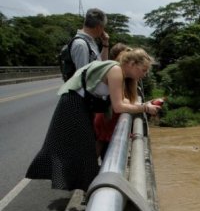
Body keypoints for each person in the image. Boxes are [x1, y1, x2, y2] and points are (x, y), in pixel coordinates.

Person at [26, 48, 161, 191]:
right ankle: (87, 189)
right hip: (74, 105)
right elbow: (119, 107)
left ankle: (82, 186)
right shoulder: (116, 71)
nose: (144, 74)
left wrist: (145, 104)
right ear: (132, 63)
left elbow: (122, 101)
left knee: (79, 148)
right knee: (79, 148)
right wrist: (145, 108)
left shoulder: (116, 69)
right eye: (144, 70)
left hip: (76, 104)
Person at [93, 43, 129, 160]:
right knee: (101, 142)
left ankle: (89, 171)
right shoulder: (116, 70)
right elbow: (119, 101)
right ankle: (89, 171)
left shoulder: (110, 67)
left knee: (100, 142)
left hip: (105, 112)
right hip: (107, 114)